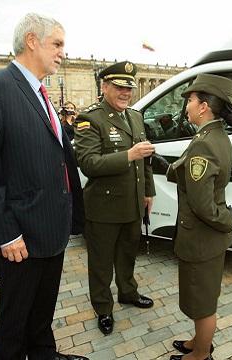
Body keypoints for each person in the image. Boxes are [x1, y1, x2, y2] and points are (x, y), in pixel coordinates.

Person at [0, 13, 87, 360]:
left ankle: (45, 353)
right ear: (32, 40)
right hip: (20, 236)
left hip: (51, 228)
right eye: (57, 44)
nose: (63, 52)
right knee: (16, 319)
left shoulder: (42, 94)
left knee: (42, 310)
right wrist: (5, 233)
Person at [74, 60, 156, 335]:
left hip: (132, 204)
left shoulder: (135, 116)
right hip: (104, 207)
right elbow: (88, 163)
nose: (126, 92)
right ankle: (103, 308)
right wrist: (127, 155)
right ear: (104, 86)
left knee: (127, 254)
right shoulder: (90, 118)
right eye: (120, 87)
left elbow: (145, 160)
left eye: (129, 87)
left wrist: (148, 192)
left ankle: (128, 292)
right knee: (101, 263)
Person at [166, 74, 232, 360]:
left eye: (191, 101)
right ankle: (199, 341)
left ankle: (200, 355)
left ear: (204, 106)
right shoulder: (214, 135)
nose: (186, 107)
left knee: (202, 302)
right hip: (208, 239)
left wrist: (226, 222)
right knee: (203, 294)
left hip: (201, 238)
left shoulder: (204, 143)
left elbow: (201, 204)